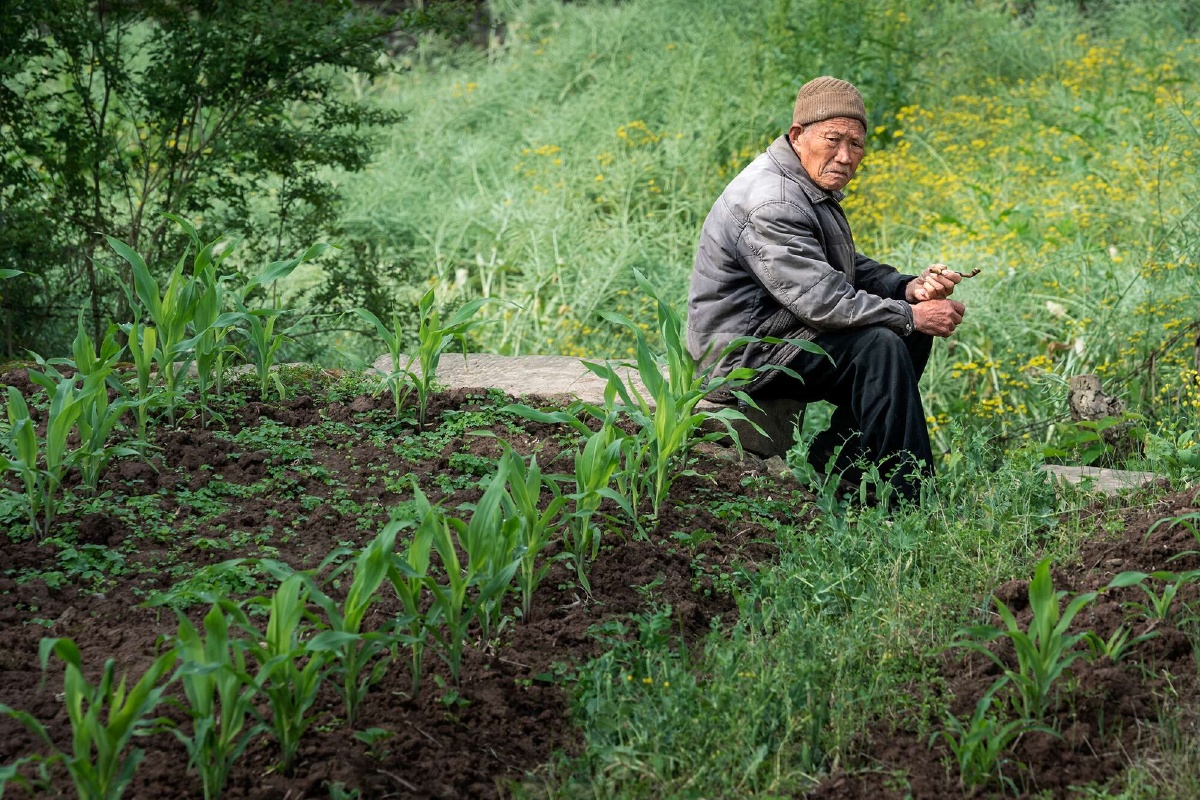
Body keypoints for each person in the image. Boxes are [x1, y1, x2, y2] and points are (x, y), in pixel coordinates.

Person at [686, 75, 966, 502]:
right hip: (742, 357)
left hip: (777, 332)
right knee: (881, 345)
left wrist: (906, 288)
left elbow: (833, 265)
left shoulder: (800, 178)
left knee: (907, 332)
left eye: (856, 144)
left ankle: (843, 465)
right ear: (798, 135)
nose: (845, 156)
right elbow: (822, 301)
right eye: (833, 140)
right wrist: (909, 314)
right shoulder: (773, 200)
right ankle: (910, 500)